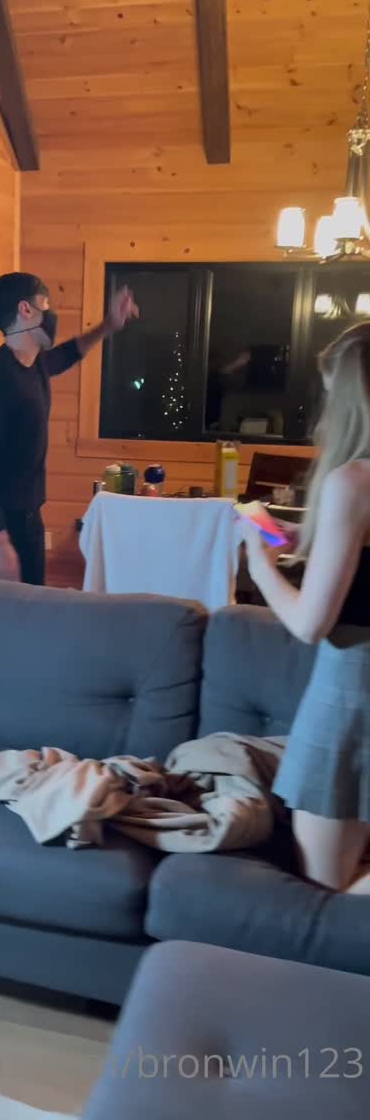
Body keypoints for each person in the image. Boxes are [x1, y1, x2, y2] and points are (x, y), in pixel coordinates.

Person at [242, 320, 370, 894]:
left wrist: (260, 565)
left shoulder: (352, 481)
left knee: (323, 889)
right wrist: (308, 542)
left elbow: (310, 623)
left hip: (353, 691)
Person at [0, 273, 138, 584]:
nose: (51, 313)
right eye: (45, 304)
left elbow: (67, 354)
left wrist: (108, 325)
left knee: (32, 609)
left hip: (27, 522)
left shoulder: (34, 364)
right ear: (26, 309)